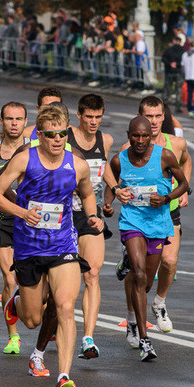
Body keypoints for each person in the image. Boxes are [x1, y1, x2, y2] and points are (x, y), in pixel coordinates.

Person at [0, 104, 102, 387]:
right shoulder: (25, 159)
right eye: (51, 135)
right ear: (39, 135)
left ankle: (63, 377)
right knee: (31, 321)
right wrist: (21, 212)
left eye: (62, 134)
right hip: (28, 246)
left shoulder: (76, 164)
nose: (57, 140)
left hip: (63, 244)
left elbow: (88, 192)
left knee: (66, 307)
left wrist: (92, 216)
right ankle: (16, 301)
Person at [104, 116, 188, 361]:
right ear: (128, 135)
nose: (140, 141)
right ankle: (145, 340)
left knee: (146, 283)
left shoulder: (164, 156)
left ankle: (128, 263)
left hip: (159, 224)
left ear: (150, 136)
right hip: (132, 222)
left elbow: (183, 183)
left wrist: (166, 198)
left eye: (144, 136)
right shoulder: (119, 160)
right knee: (139, 275)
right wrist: (109, 204)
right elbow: (112, 186)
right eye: (135, 136)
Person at [120, 96, 191, 339]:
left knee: (169, 262)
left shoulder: (176, 144)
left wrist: (183, 193)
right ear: (140, 117)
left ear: (164, 117)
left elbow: (186, 163)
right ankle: (132, 320)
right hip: (138, 216)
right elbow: (117, 179)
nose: (153, 121)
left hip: (167, 211)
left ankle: (159, 304)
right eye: (148, 116)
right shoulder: (128, 149)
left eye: (158, 116)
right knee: (137, 274)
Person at [67, 94, 115, 360]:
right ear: (79, 115)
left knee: (92, 274)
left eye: (98, 117)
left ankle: (88, 338)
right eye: (89, 117)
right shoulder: (65, 137)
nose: (94, 122)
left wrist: (115, 189)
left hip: (90, 214)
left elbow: (104, 167)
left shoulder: (105, 140)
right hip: (62, 215)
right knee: (58, 279)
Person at [0, 101, 28, 355]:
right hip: (2, 217)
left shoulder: (34, 150)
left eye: (19, 119)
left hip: (30, 219)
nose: (14, 123)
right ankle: (13, 336)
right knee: (9, 279)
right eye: (9, 119)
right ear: (1, 121)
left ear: (25, 122)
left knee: (33, 278)